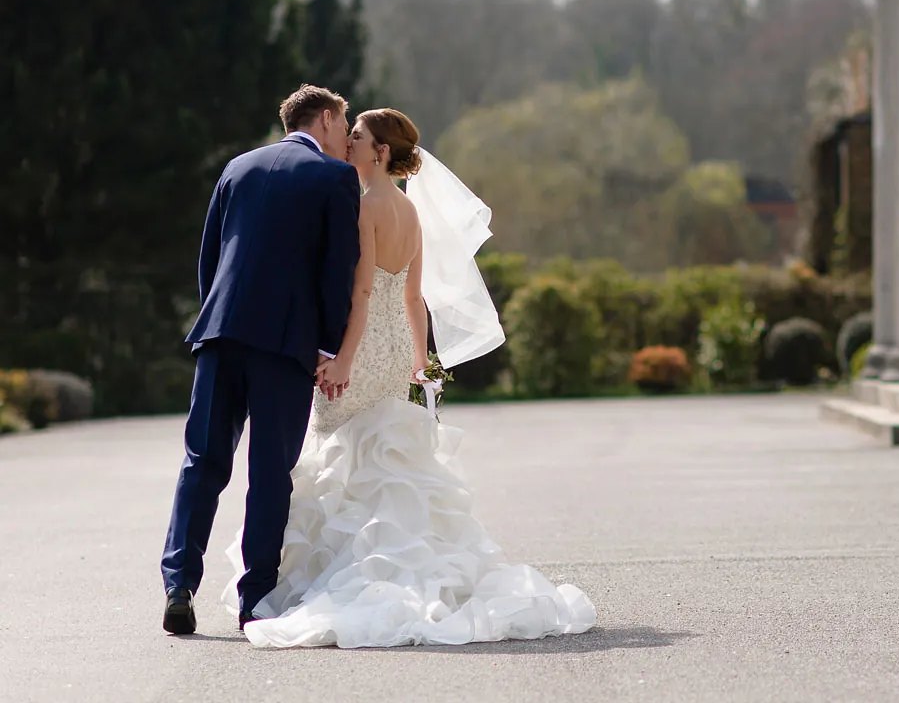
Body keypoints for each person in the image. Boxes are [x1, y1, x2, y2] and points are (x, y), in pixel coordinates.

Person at [227, 108, 596, 648]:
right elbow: (413, 297)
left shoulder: (364, 205)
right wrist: (420, 359)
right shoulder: (409, 211)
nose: (347, 143)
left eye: (357, 138)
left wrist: (345, 357)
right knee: (381, 457)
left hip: (367, 344)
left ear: (379, 152)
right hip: (397, 346)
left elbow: (362, 293)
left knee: (342, 451)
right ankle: (400, 557)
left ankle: (365, 572)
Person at [161, 85, 361, 635]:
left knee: (201, 462)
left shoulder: (238, 167)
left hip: (221, 333)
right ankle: (256, 599)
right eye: (344, 126)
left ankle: (179, 584)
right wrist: (328, 347)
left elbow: (210, 258)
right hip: (286, 343)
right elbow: (337, 271)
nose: (346, 139)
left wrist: (216, 321)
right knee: (270, 472)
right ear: (325, 119)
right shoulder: (335, 178)